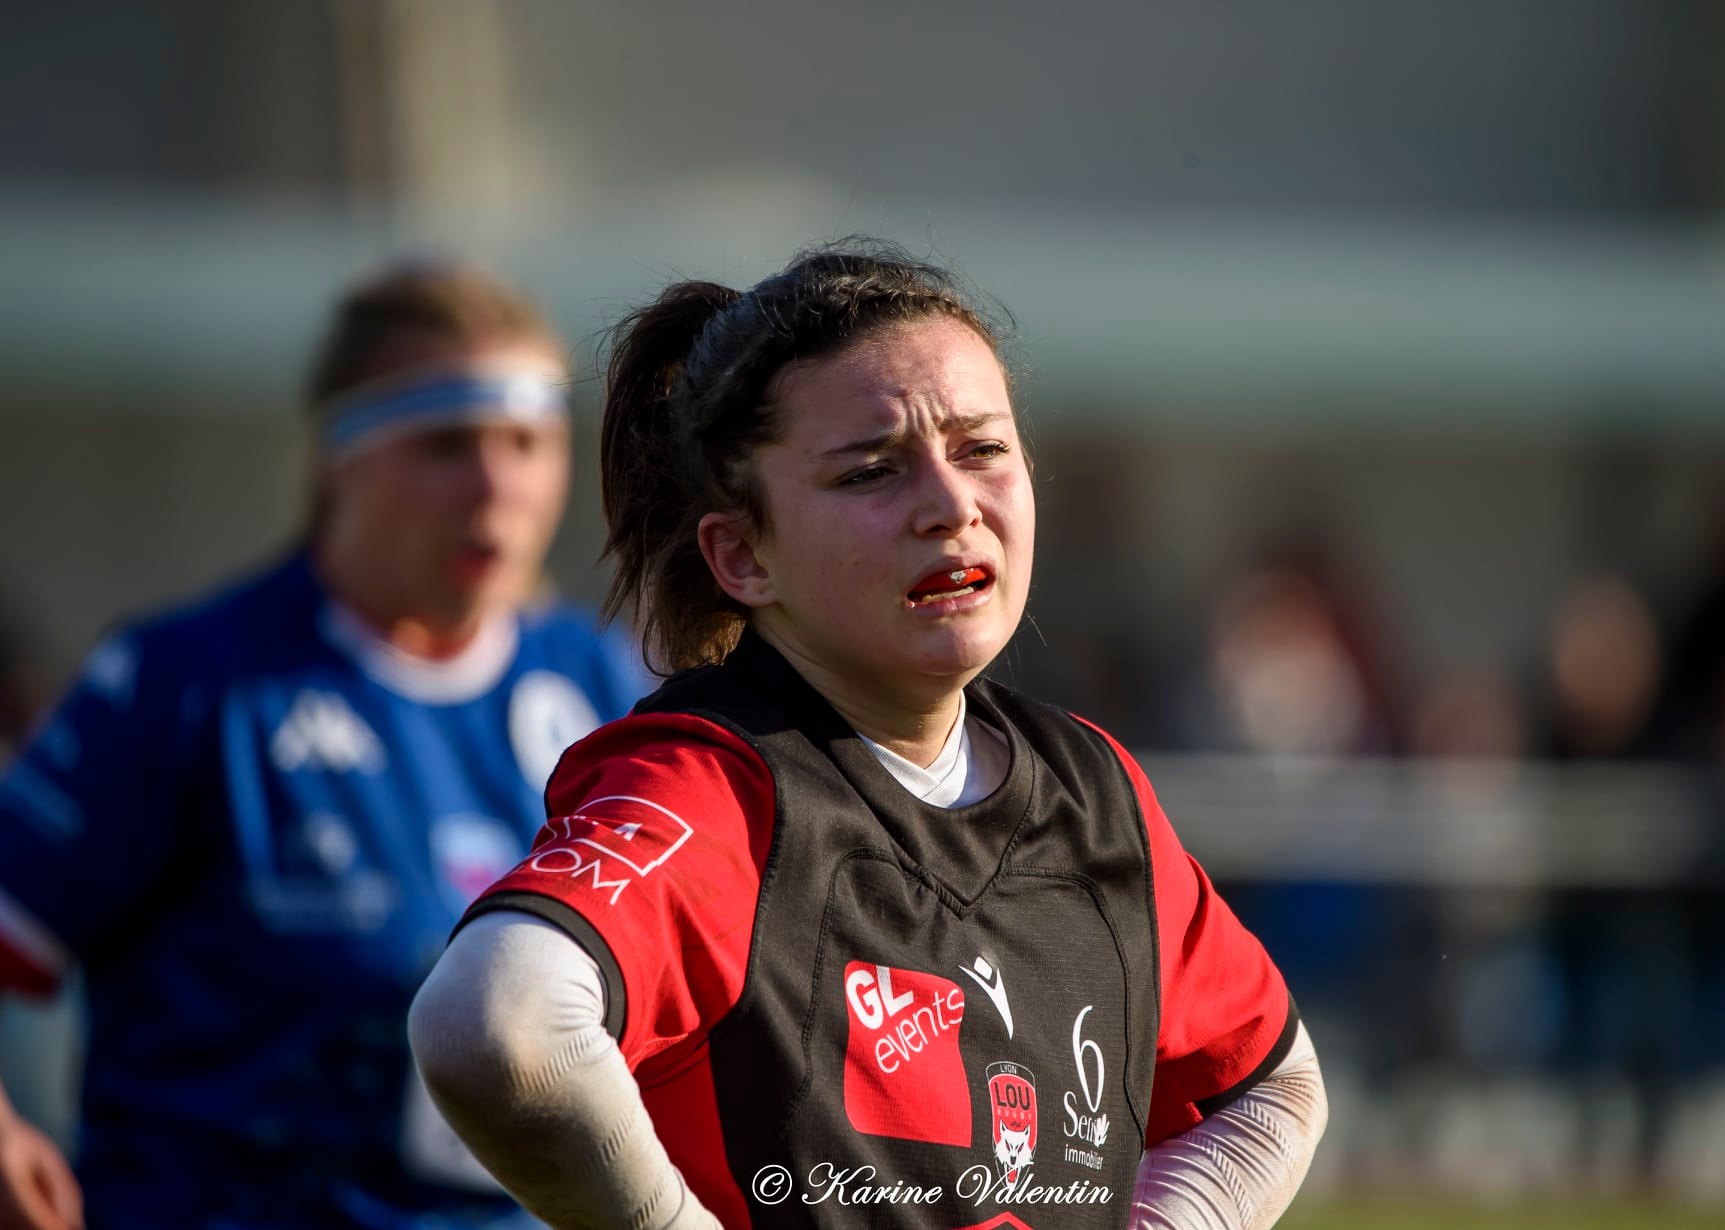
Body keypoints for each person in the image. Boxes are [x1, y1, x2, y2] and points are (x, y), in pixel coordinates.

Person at [409, 243, 1328, 1229]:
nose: (950, 506)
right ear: (742, 554)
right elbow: (494, 1023)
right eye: (872, 473)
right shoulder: (717, 789)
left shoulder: (1092, 794)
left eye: (982, 449)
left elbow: (1275, 1091)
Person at [0, 262, 653, 1229]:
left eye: (529, 441)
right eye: (446, 444)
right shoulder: (190, 683)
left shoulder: (602, 694)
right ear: (338, 458)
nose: (497, 483)